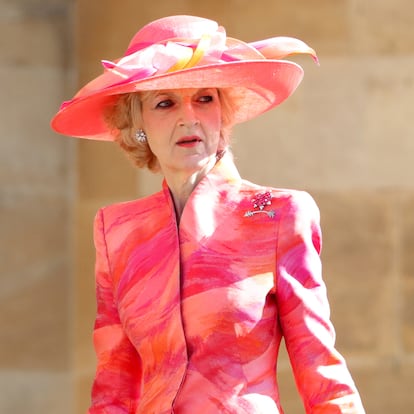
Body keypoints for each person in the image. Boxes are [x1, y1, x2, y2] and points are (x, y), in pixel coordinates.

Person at [51, 15, 365, 414]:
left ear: (224, 112)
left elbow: (320, 369)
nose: (189, 117)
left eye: (205, 98)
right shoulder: (116, 230)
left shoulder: (279, 214)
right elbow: (113, 386)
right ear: (138, 125)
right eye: (165, 103)